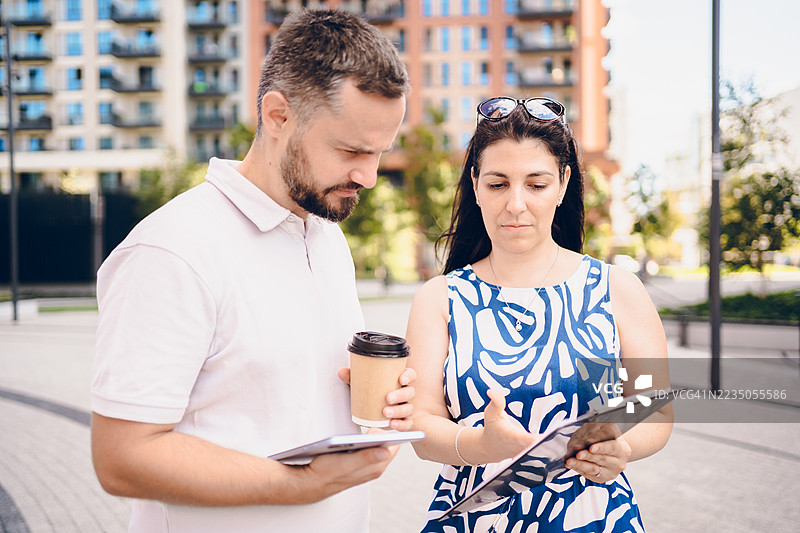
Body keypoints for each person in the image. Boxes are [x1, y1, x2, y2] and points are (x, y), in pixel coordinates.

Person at [91, 10, 415, 533]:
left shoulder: (326, 236)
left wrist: (381, 410)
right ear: (278, 115)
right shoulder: (172, 250)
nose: (370, 177)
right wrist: (298, 488)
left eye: (379, 153)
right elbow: (122, 458)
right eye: (352, 150)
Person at [405, 97, 672, 532]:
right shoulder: (439, 299)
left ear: (563, 183)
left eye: (536, 184)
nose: (515, 204)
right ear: (475, 184)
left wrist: (621, 447)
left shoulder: (617, 289)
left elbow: (654, 409)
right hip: (473, 520)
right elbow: (421, 422)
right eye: (497, 184)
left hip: (594, 518)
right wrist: (479, 443)